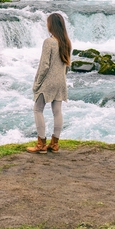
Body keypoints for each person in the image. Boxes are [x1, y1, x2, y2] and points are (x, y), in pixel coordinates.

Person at [27, 12, 71, 153]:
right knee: (57, 112)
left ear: (52, 25)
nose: (47, 25)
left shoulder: (49, 42)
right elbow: (67, 65)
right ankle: (55, 144)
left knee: (38, 109)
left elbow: (44, 65)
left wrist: (37, 83)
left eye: (48, 23)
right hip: (61, 82)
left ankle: (41, 145)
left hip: (48, 82)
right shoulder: (66, 42)